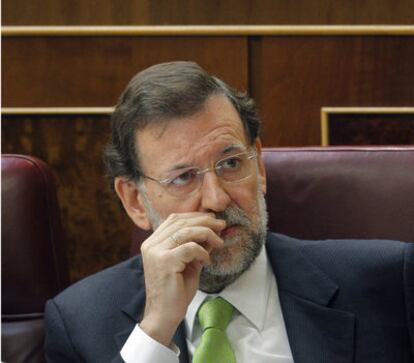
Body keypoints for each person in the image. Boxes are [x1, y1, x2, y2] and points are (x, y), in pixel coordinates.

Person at [45, 61, 413, 362]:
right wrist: (155, 330)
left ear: (261, 168)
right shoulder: (80, 323)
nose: (217, 199)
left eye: (232, 163)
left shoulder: (386, 283)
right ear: (135, 201)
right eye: (183, 178)